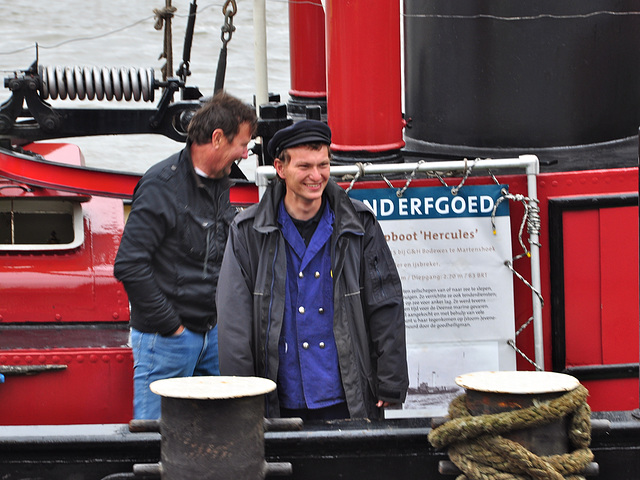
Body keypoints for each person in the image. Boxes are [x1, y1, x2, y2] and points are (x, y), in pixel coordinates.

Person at [216, 119, 408, 420]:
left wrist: (391, 382)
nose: (316, 176)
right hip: (279, 398)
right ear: (280, 168)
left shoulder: (361, 225)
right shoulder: (247, 233)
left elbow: (385, 305)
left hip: (347, 393)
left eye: (323, 165)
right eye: (304, 166)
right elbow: (234, 324)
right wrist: (241, 397)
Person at [114, 92, 257, 420]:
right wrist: (172, 328)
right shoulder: (160, 186)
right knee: (156, 439)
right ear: (218, 138)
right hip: (167, 340)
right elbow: (130, 264)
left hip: (213, 333)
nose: (246, 154)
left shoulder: (222, 180)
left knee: (215, 433)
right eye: (243, 144)